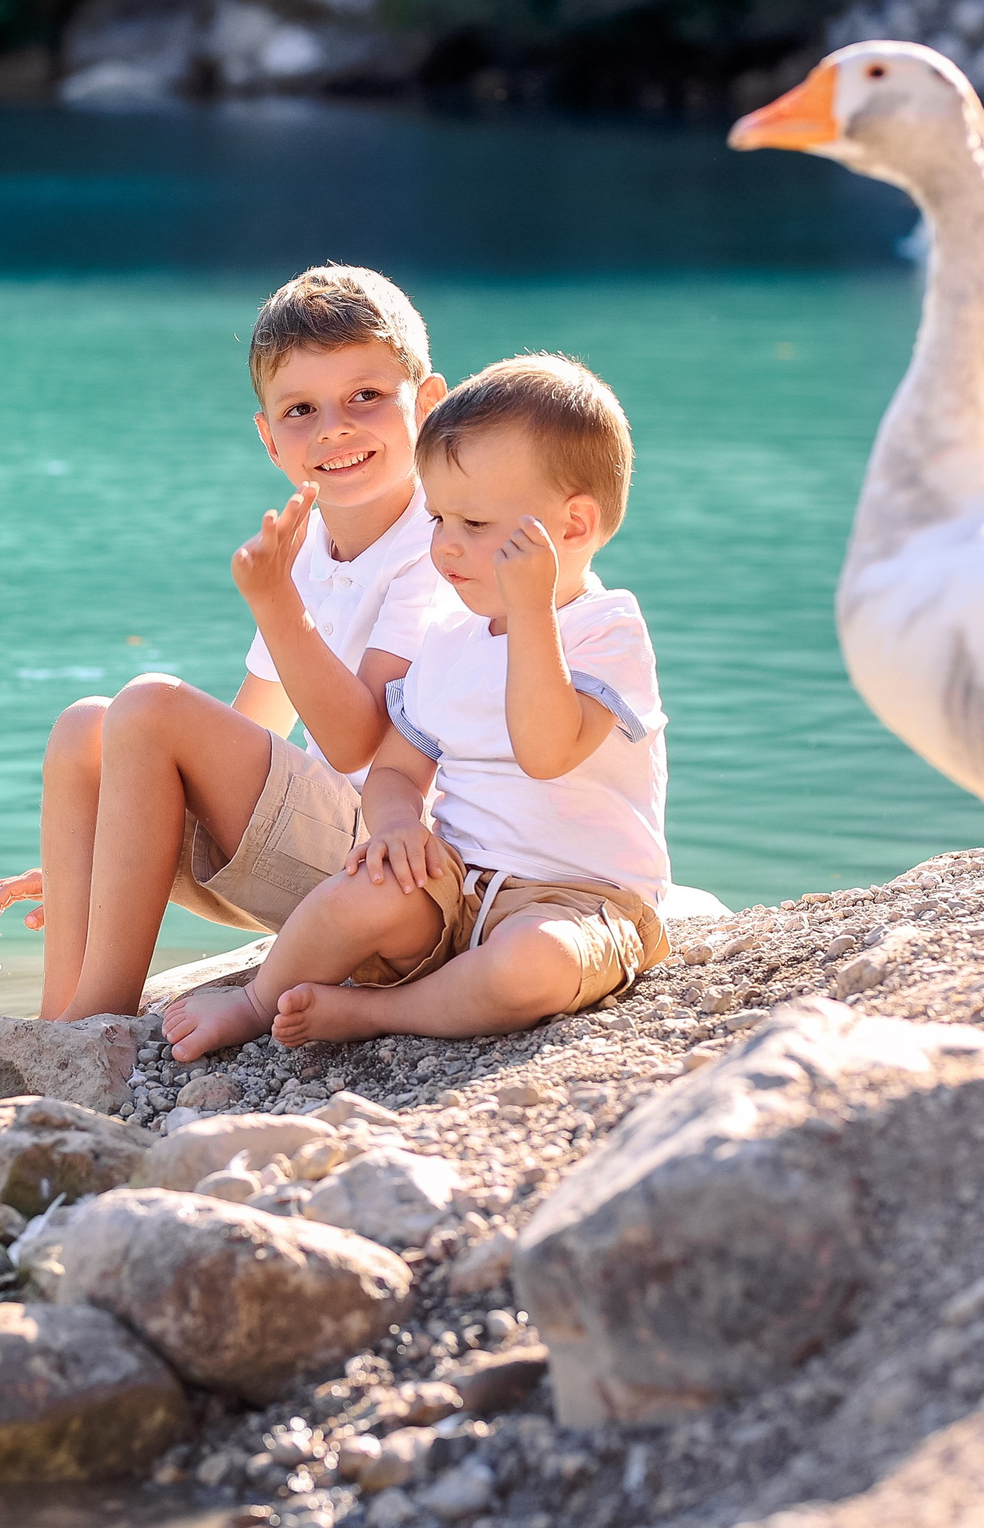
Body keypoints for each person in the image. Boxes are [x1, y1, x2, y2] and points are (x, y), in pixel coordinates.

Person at [0, 265, 458, 1021]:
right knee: (86, 727)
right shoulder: (307, 546)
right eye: (302, 408)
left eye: (366, 395)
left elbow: (360, 738)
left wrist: (275, 604)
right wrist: (95, 855)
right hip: (318, 860)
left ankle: (98, 1025)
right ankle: (59, 1019)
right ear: (269, 440)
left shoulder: (437, 545)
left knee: (151, 704)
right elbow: (255, 732)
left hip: (397, 879)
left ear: (428, 405)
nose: (334, 426)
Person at [160, 353, 670, 1060]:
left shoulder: (606, 630)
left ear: (573, 527)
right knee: (358, 891)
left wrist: (530, 615)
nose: (446, 547)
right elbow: (399, 769)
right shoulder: (449, 640)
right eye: (436, 518)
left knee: (537, 964)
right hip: (458, 886)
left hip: (578, 898)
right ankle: (253, 1000)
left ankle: (380, 1012)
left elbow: (546, 749)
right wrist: (396, 825)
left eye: (476, 523)